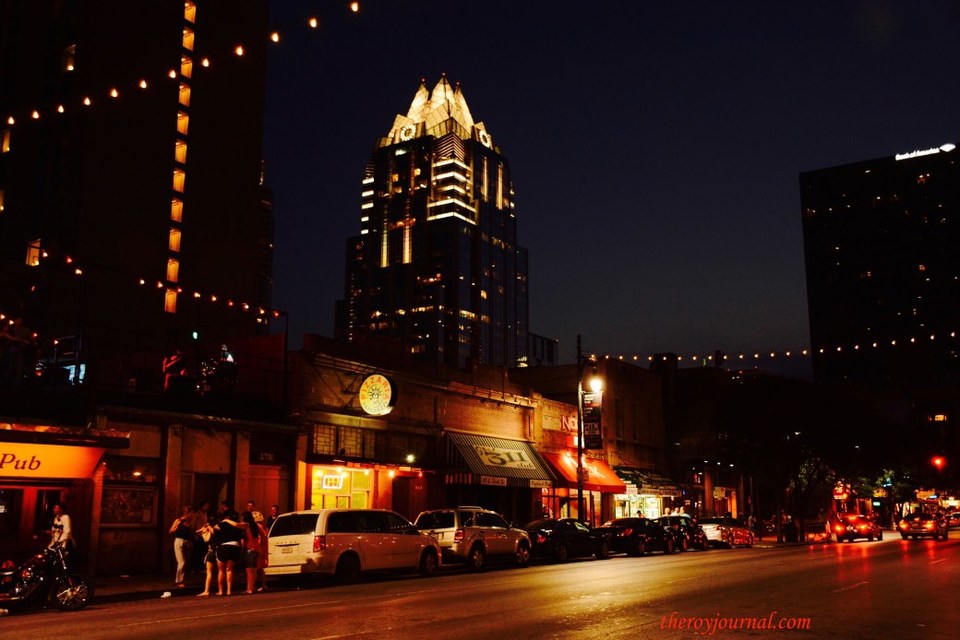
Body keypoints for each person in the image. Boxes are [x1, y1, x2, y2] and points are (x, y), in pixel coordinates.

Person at [215, 503, 243, 595]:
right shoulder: (238, 525)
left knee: (221, 570)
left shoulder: (221, 524)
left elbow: (215, 531)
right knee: (229, 570)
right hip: (234, 546)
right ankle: (229, 591)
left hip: (223, 546)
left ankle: (220, 591)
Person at [168, 505, 194, 588]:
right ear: (187, 513)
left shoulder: (189, 522)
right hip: (179, 541)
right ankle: (178, 581)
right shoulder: (178, 520)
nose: (192, 515)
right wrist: (177, 526)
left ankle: (180, 580)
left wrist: (189, 541)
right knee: (181, 562)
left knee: (184, 563)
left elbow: (189, 533)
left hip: (186, 542)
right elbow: (170, 531)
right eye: (191, 513)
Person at [195, 520, 220, 597]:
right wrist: (205, 527)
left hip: (213, 552)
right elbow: (197, 532)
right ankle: (214, 590)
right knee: (216, 571)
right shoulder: (215, 532)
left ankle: (208, 591)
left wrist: (207, 527)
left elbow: (198, 532)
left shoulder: (213, 533)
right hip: (216, 552)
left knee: (213, 572)